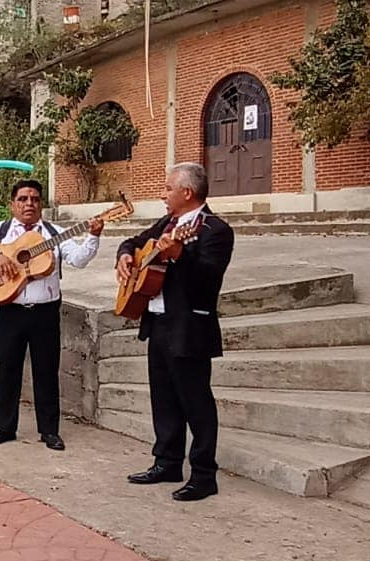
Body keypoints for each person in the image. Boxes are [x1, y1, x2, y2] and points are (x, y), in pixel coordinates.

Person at [116, 162, 234, 502]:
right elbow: (134, 241)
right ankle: (167, 462)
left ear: (187, 192)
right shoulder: (167, 223)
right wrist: (125, 256)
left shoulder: (215, 230)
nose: (163, 194)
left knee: (196, 402)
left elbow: (209, 279)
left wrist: (180, 254)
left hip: (190, 326)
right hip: (158, 322)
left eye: (168, 189)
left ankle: (203, 474)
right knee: (163, 398)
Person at [0, 179, 103, 452]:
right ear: (13, 204)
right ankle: (4, 428)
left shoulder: (54, 233)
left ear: (41, 204)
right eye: (23, 199)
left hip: (46, 313)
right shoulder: (0, 232)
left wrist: (93, 235)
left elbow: (79, 260)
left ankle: (49, 431)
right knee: (8, 369)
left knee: (46, 371)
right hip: (10, 311)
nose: (29, 204)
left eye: (35, 199)